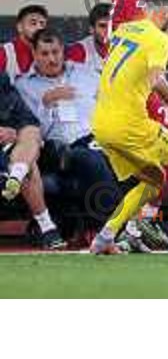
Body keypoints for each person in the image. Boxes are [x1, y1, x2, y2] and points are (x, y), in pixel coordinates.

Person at [90, 0, 168, 255]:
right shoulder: (159, 39)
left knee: (154, 179)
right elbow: (155, 78)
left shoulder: (124, 30)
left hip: (101, 123)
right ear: (165, 11)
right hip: (129, 122)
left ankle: (104, 238)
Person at [16, 29, 120, 227]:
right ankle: (118, 228)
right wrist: (45, 104)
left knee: (129, 155)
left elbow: (110, 107)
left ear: (63, 51)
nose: (52, 59)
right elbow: (33, 134)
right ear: (34, 55)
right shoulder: (24, 86)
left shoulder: (88, 74)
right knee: (87, 157)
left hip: (97, 138)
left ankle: (125, 222)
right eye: (45, 54)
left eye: (55, 52)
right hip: (56, 149)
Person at [0, 73, 65, 249]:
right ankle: (48, 228)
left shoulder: (2, 82)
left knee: (30, 133)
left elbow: (26, 121)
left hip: (10, 152)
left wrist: (16, 132)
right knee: (28, 161)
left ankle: (16, 173)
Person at [0, 5, 48, 83]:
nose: (39, 28)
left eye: (42, 24)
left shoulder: (51, 54)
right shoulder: (4, 53)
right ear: (20, 27)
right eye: (33, 23)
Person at [66, 3, 111, 76]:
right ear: (91, 29)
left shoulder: (127, 49)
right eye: (102, 26)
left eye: (112, 26)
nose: (108, 31)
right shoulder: (78, 51)